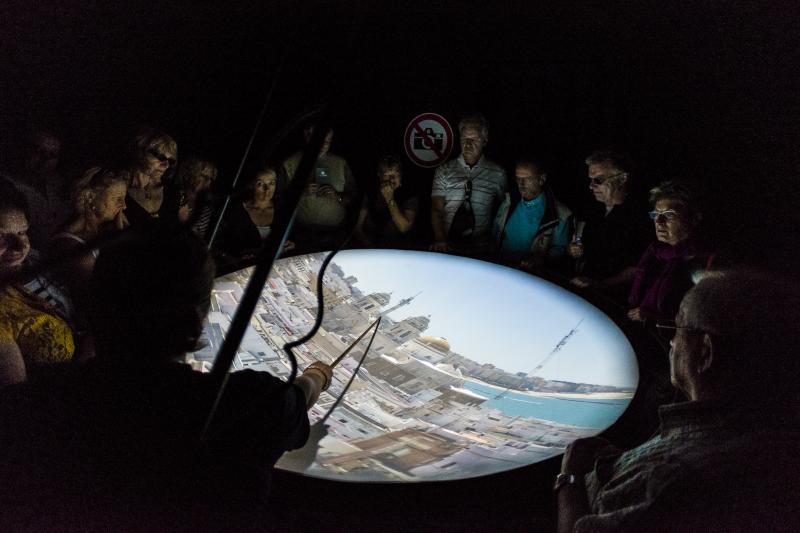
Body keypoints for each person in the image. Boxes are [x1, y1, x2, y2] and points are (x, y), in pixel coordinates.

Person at [0, 226, 334, 531]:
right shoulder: (243, 404)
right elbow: (293, 399)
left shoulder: (33, 402)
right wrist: (316, 376)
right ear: (193, 321)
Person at [556, 270, 800, 533]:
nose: (671, 341)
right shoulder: (768, 439)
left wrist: (569, 479)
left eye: (678, 328)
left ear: (705, 352)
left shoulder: (668, 476)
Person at [0, 180, 74, 386]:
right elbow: (18, 395)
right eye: (1, 236)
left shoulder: (34, 259)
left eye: (22, 232)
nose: (19, 246)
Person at [568, 150, 649, 301]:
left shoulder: (641, 217)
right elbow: (578, 240)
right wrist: (573, 247)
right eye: (591, 180)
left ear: (623, 178)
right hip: (583, 290)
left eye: (598, 180)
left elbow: (639, 266)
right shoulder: (593, 208)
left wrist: (601, 284)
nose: (591, 186)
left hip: (614, 299)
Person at [627, 181, 712, 323]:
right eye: (655, 214)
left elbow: (703, 319)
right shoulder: (656, 251)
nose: (659, 221)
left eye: (668, 214)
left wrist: (656, 318)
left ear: (694, 217)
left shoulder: (705, 260)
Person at [49, 167, 128, 314]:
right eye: (118, 198)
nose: (124, 205)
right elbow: (103, 295)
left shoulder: (108, 228)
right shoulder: (72, 246)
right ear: (90, 197)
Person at [430, 113, 507, 255]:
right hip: (447, 247)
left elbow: (506, 211)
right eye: (465, 138)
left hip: (481, 250)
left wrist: (495, 242)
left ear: (484, 140)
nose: (468, 144)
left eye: (474, 139)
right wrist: (440, 239)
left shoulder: (498, 174)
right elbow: (437, 209)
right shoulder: (444, 170)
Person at [282, 125, 358, 251]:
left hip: (335, 235)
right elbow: (279, 200)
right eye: (320, 140)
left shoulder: (341, 163)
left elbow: (355, 199)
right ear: (307, 136)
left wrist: (338, 196)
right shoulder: (289, 163)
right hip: (300, 234)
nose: (323, 145)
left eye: (327, 142)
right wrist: (302, 192)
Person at [493, 156, 572, 268]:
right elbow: (495, 231)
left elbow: (561, 248)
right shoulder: (509, 201)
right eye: (518, 178)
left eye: (527, 179)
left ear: (542, 179)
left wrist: (541, 259)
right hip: (502, 266)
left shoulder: (559, 213)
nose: (521, 183)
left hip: (532, 273)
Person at [216, 167, 294, 266]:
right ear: (251, 185)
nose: (267, 189)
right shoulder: (237, 211)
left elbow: (294, 235)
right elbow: (232, 247)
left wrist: (291, 244)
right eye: (260, 184)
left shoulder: (282, 207)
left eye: (271, 183)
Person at [6, 129, 69, 248]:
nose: (45, 159)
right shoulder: (7, 187)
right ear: (25, 150)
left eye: (52, 155)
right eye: (40, 151)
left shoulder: (58, 183)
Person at [354, 154, 418, 248]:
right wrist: (370, 246)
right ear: (379, 175)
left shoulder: (409, 193)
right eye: (387, 175)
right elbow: (357, 227)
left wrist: (389, 198)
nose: (392, 179)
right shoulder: (370, 191)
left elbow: (404, 227)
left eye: (396, 174)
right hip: (371, 245)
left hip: (400, 247)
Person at [123, 126, 180, 227]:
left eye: (171, 161)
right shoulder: (118, 187)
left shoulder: (172, 193)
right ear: (141, 152)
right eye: (161, 157)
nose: (166, 165)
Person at [177, 156, 219, 240]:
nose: (208, 183)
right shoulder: (174, 196)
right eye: (205, 177)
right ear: (190, 174)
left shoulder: (206, 208)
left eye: (211, 179)